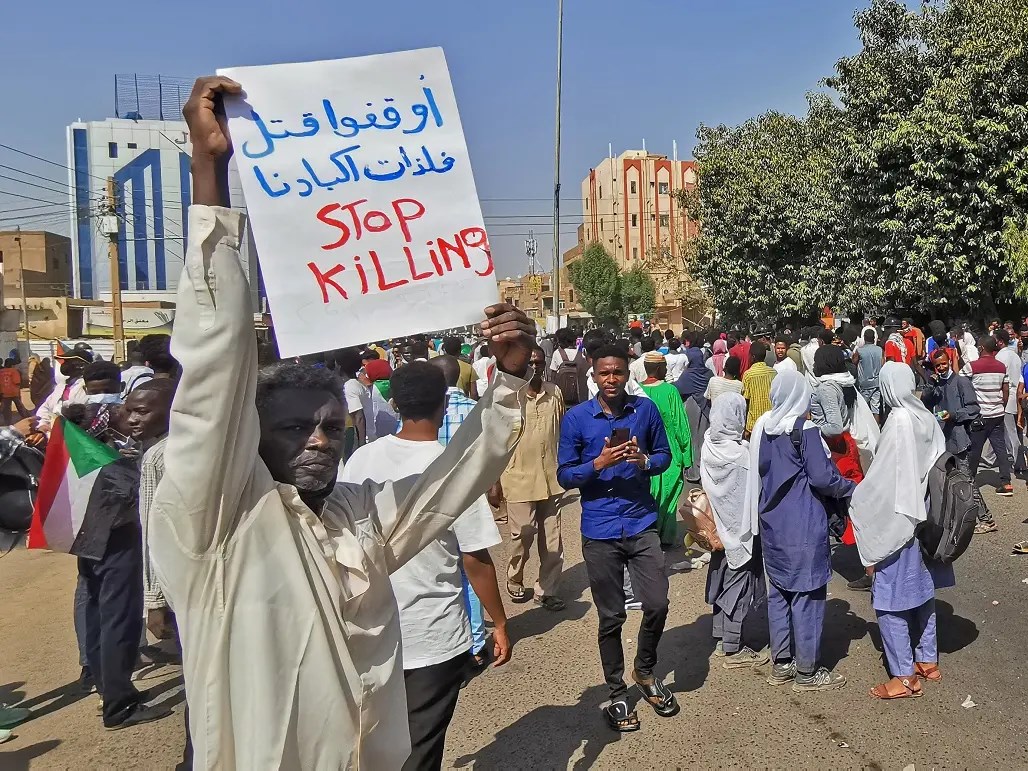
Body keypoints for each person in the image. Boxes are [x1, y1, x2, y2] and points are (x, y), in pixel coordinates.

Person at [147, 75, 536, 770]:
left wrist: (508, 378)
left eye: (330, 424)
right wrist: (210, 178)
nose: (320, 438)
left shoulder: (359, 516)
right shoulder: (219, 526)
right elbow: (212, 371)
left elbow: (451, 482)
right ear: (251, 438)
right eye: (296, 428)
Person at [340, 362, 510, 770]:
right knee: (421, 748)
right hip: (431, 635)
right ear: (443, 403)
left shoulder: (361, 459)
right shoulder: (453, 470)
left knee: (370, 743)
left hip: (365, 631)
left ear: (394, 402)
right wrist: (500, 622)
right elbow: (475, 558)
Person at [557, 345, 677, 732]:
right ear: (593, 375)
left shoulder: (645, 411)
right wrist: (598, 464)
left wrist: (644, 462)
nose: (611, 379)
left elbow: (664, 456)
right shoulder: (577, 418)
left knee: (657, 603)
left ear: (628, 375)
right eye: (604, 373)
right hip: (600, 529)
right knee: (611, 617)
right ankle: (616, 691)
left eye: (618, 373)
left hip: (641, 523)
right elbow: (564, 474)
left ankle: (645, 671)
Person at [60, 402, 171, 730]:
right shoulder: (112, 463)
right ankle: (119, 706)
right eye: (127, 415)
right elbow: (137, 497)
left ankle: (107, 688)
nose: (133, 420)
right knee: (118, 621)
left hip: (92, 545)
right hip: (116, 545)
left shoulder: (85, 453)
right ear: (107, 427)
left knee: (97, 615)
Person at [849, 363, 954, 699]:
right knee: (922, 592)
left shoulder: (898, 420)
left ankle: (904, 676)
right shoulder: (924, 415)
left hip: (902, 522)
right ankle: (927, 661)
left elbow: (883, 480)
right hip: (927, 520)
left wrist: (857, 498)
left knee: (890, 599)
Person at [749, 370, 856, 691]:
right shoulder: (805, 429)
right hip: (804, 525)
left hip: (772, 523)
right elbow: (823, 478)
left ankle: (782, 663)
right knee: (808, 597)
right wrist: (849, 488)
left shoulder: (764, 427)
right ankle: (807, 672)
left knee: (779, 593)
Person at [493, 346, 566, 610]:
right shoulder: (508, 397)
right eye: (530, 363)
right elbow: (495, 441)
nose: (535, 367)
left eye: (539, 363)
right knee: (523, 535)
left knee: (553, 540)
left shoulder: (554, 393)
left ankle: (547, 590)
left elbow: (562, 429)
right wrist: (493, 482)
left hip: (551, 477)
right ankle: (515, 577)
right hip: (517, 477)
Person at [700, 392, 768, 668]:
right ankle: (732, 646)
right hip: (740, 531)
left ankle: (720, 634)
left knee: (722, 578)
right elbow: (754, 491)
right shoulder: (742, 453)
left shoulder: (708, 445)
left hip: (716, 529)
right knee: (738, 585)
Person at [639, 353, 693, 548]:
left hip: (644, 451)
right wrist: (687, 456)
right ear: (660, 369)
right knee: (669, 494)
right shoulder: (670, 391)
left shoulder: (637, 389)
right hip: (669, 451)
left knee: (649, 493)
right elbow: (680, 424)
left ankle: (649, 532)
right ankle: (664, 535)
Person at [965, 335, 1013, 502]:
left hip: (981, 415)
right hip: (998, 413)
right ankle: (1006, 483)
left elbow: (960, 383)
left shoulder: (972, 366)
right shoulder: (1001, 367)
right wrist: (1002, 405)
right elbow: (1005, 389)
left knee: (975, 450)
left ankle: (969, 481)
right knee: (1000, 448)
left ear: (981, 348)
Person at [676, 343, 714, 485]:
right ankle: (705, 470)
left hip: (691, 407)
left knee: (692, 439)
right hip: (706, 408)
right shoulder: (708, 373)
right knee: (704, 439)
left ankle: (693, 472)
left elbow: (678, 389)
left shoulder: (687, 374)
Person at [35, 345, 93, 434]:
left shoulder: (88, 387)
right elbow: (45, 407)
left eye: (68, 362)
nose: (63, 364)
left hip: (74, 434)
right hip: (52, 433)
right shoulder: (61, 386)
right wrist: (43, 424)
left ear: (81, 365)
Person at [993, 329, 1026, 475]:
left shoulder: (1000, 357)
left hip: (1007, 396)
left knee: (1010, 431)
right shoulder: (1015, 355)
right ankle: (1020, 459)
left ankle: (1019, 462)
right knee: (1017, 430)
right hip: (1017, 396)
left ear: (1000, 341)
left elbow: (1000, 380)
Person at [741, 343, 776, 435]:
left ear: (752, 357)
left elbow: (746, 401)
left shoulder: (748, 375)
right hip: (771, 420)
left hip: (754, 423)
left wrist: (745, 426)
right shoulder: (773, 372)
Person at [853, 329, 884, 423]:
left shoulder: (859, 351)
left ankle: (866, 429)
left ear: (864, 338)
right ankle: (877, 430)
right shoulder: (880, 350)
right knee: (876, 409)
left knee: (863, 408)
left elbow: (854, 362)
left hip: (864, 383)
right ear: (874, 338)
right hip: (877, 383)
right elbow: (883, 364)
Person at [0, 358, 28, 424]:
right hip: (14, 392)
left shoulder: (1, 371)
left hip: (4, 393)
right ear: (12, 365)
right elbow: (17, 382)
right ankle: (26, 418)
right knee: (20, 407)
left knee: (6, 409)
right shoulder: (14, 371)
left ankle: (7, 422)